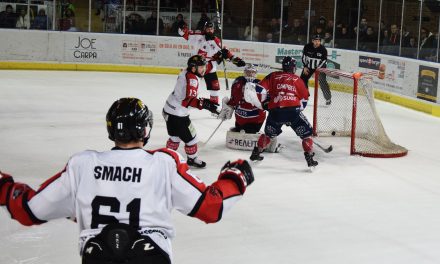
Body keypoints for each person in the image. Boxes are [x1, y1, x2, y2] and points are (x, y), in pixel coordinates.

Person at [0, 97, 254, 264]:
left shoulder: (82, 165)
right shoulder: (164, 163)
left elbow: (28, 211)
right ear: (145, 130)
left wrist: (3, 186)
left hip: (98, 257)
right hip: (150, 256)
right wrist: (235, 178)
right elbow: (211, 208)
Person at [249, 56, 318, 168]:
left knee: (268, 135)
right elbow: (304, 99)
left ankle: (256, 153)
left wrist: (264, 103)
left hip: (275, 111)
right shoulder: (298, 80)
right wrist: (295, 114)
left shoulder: (273, 75)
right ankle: (309, 158)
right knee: (307, 135)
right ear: (293, 68)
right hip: (293, 111)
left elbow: (259, 89)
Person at [162, 55, 220, 168]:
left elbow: (206, 68)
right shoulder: (192, 79)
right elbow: (187, 101)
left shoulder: (187, 71)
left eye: (204, 66)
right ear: (194, 68)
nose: (204, 69)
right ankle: (192, 159)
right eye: (201, 67)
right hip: (178, 114)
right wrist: (205, 104)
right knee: (192, 139)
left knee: (175, 137)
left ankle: (166, 158)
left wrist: (217, 58)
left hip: (168, 109)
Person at [178, 21, 246, 104]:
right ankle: (185, 100)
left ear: (214, 30)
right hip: (196, 66)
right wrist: (182, 27)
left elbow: (227, 53)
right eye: (208, 29)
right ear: (204, 29)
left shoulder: (216, 41)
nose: (209, 31)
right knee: (190, 85)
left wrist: (237, 61)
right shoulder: (197, 36)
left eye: (211, 29)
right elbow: (183, 33)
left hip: (210, 66)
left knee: (214, 88)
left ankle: (214, 106)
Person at [300, 34, 331, 105]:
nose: (317, 42)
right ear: (312, 41)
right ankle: (305, 95)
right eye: (315, 41)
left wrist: (317, 71)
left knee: (322, 82)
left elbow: (324, 61)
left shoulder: (323, 50)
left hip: (320, 68)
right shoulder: (307, 46)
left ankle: (328, 98)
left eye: (318, 41)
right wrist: (305, 67)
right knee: (302, 81)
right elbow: (304, 57)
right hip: (308, 67)